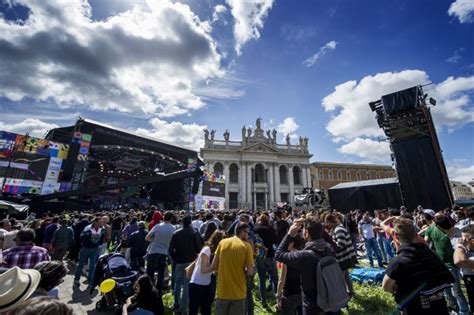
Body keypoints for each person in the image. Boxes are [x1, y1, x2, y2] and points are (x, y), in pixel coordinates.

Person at [382, 218, 455, 314]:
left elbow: (386, 287)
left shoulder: (398, 261)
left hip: (415, 308)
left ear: (395, 236)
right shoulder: (429, 252)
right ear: (416, 235)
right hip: (439, 305)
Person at [275, 218, 334, 315]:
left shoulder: (305, 256)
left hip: (312, 304)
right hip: (328, 298)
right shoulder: (328, 249)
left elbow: (279, 254)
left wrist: (289, 234)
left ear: (307, 233)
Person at [425, 214, 470, 315]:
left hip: (453, 266)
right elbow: (425, 243)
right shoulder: (431, 229)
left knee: (457, 291)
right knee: (446, 292)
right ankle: (456, 309)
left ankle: (464, 311)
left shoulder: (458, 232)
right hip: (441, 266)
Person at [212, 222, 255, 315]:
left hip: (222, 291)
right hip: (238, 293)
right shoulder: (246, 246)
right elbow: (250, 272)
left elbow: (214, 266)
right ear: (243, 232)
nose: (248, 236)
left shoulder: (222, 242)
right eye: (248, 233)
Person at [168, 215, 203, 314]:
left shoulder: (176, 233)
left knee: (178, 282)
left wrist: (175, 258)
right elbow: (199, 247)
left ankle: (176, 303)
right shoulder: (194, 232)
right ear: (190, 222)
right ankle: (183, 307)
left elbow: (170, 249)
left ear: (182, 222)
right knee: (187, 283)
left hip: (179, 260)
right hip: (191, 261)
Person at [189, 230, 226, 315]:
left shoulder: (216, 253)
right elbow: (203, 270)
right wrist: (214, 267)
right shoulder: (207, 250)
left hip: (206, 285)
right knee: (193, 311)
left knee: (206, 311)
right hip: (197, 285)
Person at [325, 213, 357, 297]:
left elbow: (341, 245)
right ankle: (351, 292)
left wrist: (330, 243)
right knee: (346, 276)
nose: (326, 224)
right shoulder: (336, 228)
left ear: (331, 221)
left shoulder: (338, 229)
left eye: (327, 222)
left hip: (344, 257)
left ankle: (343, 295)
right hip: (344, 257)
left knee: (340, 277)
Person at [145, 211, 175, 294]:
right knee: (161, 272)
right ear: (171, 218)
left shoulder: (157, 226)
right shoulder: (173, 228)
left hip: (153, 250)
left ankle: (149, 289)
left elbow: (147, 237)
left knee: (150, 272)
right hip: (164, 251)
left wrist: (153, 240)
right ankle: (159, 290)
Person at [253, 214, 278, 308]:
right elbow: (275, 240)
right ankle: (277, 300)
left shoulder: (255, 229)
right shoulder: (270, 228)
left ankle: (263, 301)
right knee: (275, 278)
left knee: (262, 279)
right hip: (270, 254)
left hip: (260, 256)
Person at [73, 217, 105, 289]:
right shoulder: (88, 228)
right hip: (86, 248)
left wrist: (98, 244)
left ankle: (90, 282)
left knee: (92, 265)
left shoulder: (102, 228)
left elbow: (102, 237)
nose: (101, 223)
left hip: (95, 249)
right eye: (100, 221)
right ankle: (76, 279)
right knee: (81, 264)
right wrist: (87, 243)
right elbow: (81, 237)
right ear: (95, 222)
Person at [276, 235, 304, 314]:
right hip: (302, 293)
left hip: (289, 295)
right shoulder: (305, 257)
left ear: (292, 243)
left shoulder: (286, 258)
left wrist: (278, 297)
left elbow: (282, 280)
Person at [454, 224, 474, 311]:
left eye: (465, 239)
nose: (462, 241)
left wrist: (459, 246)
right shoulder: (467, 250)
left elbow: (459, 261)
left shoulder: (462, 249)